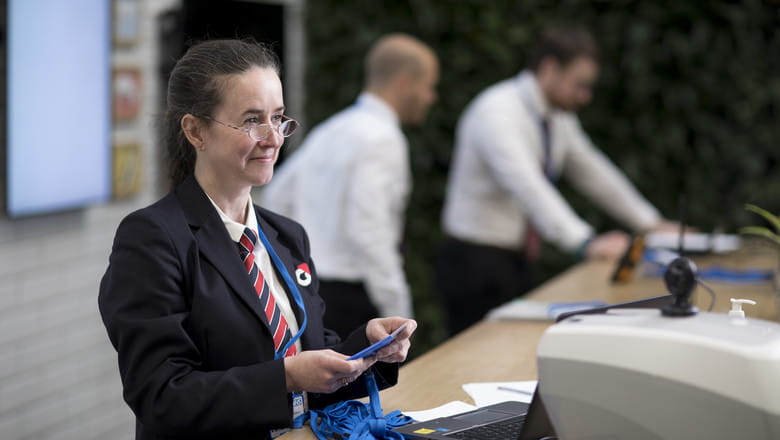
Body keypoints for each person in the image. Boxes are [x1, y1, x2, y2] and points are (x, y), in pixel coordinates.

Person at [98, 39, 417, 440]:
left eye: (278, 117)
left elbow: (310, 357)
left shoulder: (286, 235)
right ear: (195, 130)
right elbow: (162, 396)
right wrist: (284, 378)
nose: (273, 138)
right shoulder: (153, 239)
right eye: (252, 120)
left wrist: (367, 347)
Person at [437, 25, 677, 335]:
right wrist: (584, 242)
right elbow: (527, 186)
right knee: (469, 360)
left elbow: (593, 170)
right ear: (550, 68)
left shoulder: (557, 117)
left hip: (515, 258)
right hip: (474, 261)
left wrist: (650, 222)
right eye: (580, 85)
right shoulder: (496, 111)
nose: (586, 96)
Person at [261, 33, 439, 338]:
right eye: (428, 86)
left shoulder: (331, 129)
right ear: (404, 83)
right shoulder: (383, 139)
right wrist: (399, 309)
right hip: (352, 299)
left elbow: (275, 197)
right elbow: (368, 230)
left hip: (309, 287)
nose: (431, 97)